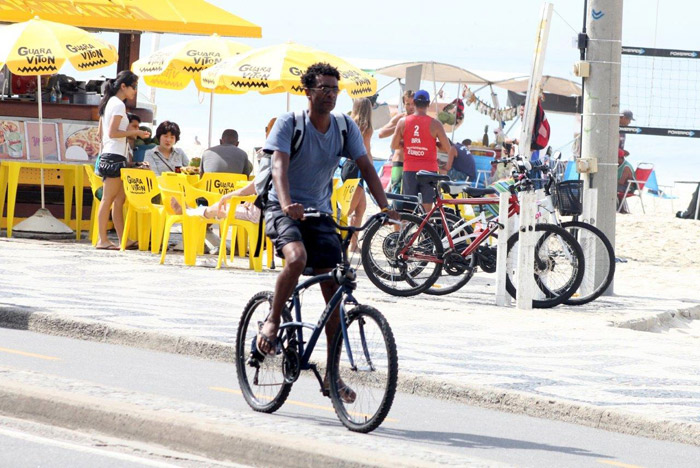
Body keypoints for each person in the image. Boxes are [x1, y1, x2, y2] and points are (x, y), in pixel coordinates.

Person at [255, 63, 398, 401]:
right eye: (323, 88)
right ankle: (273, 320)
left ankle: (332, 378)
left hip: (319, 214)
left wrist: (385, 207)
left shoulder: (345, 126)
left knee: (334, 294)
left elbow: (366, 167)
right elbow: (278, 165)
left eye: (334, 89)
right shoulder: (290, 123)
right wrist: (288, 203)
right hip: (282, 209)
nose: (330, 94)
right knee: (297, 257)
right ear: (308, 91)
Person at [95, 70, 151, 250]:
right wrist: (135, 132)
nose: (135, 90)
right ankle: (102, 239)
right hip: (114, 156)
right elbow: (112, 133)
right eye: (133, 87)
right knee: (109, 199)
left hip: (111, 154)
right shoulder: (117, 105)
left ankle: (122, 239)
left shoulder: (108, 103)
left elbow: (100, 134)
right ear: (123, 86)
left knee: (118, 200)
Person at [390, 89, 451, 211]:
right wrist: (436, 144)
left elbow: (394, 145)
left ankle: (410, 230)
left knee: (409, 211)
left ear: (414, 102)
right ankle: (424, 230)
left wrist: (405, 143)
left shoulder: (403, 122)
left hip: (410, 169)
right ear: (428, 104)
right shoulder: (436, 124)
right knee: (426, 212)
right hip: (429, 170)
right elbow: (447, 148)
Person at [342, 97, 373, 253]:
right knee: (347, 210)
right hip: (358, 167)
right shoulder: (366, 127)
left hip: (348, 165)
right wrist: (371, 170)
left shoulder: (350, 123)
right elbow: (366, 151)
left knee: (360, 209)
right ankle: (340, 243)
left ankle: (352, 245)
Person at [378, 90, 415, 193]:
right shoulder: (400, 118)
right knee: (397, 194)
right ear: (404, 105)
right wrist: (399, 127)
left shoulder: (420, 120)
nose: (411, 107)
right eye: (408, 104)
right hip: (399, 160)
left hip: (414, 163)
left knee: (411, 195)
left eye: (413, 104)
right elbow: (381, 133)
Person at [617, 148, 636, 214]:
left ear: (620, 158)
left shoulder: (626, 167)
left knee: (612, 189)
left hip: (628, 188)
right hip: (623, 186)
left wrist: (610, 180)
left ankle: (621, 208)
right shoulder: (619, 165)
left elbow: (621, 182)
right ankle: (620, 208)